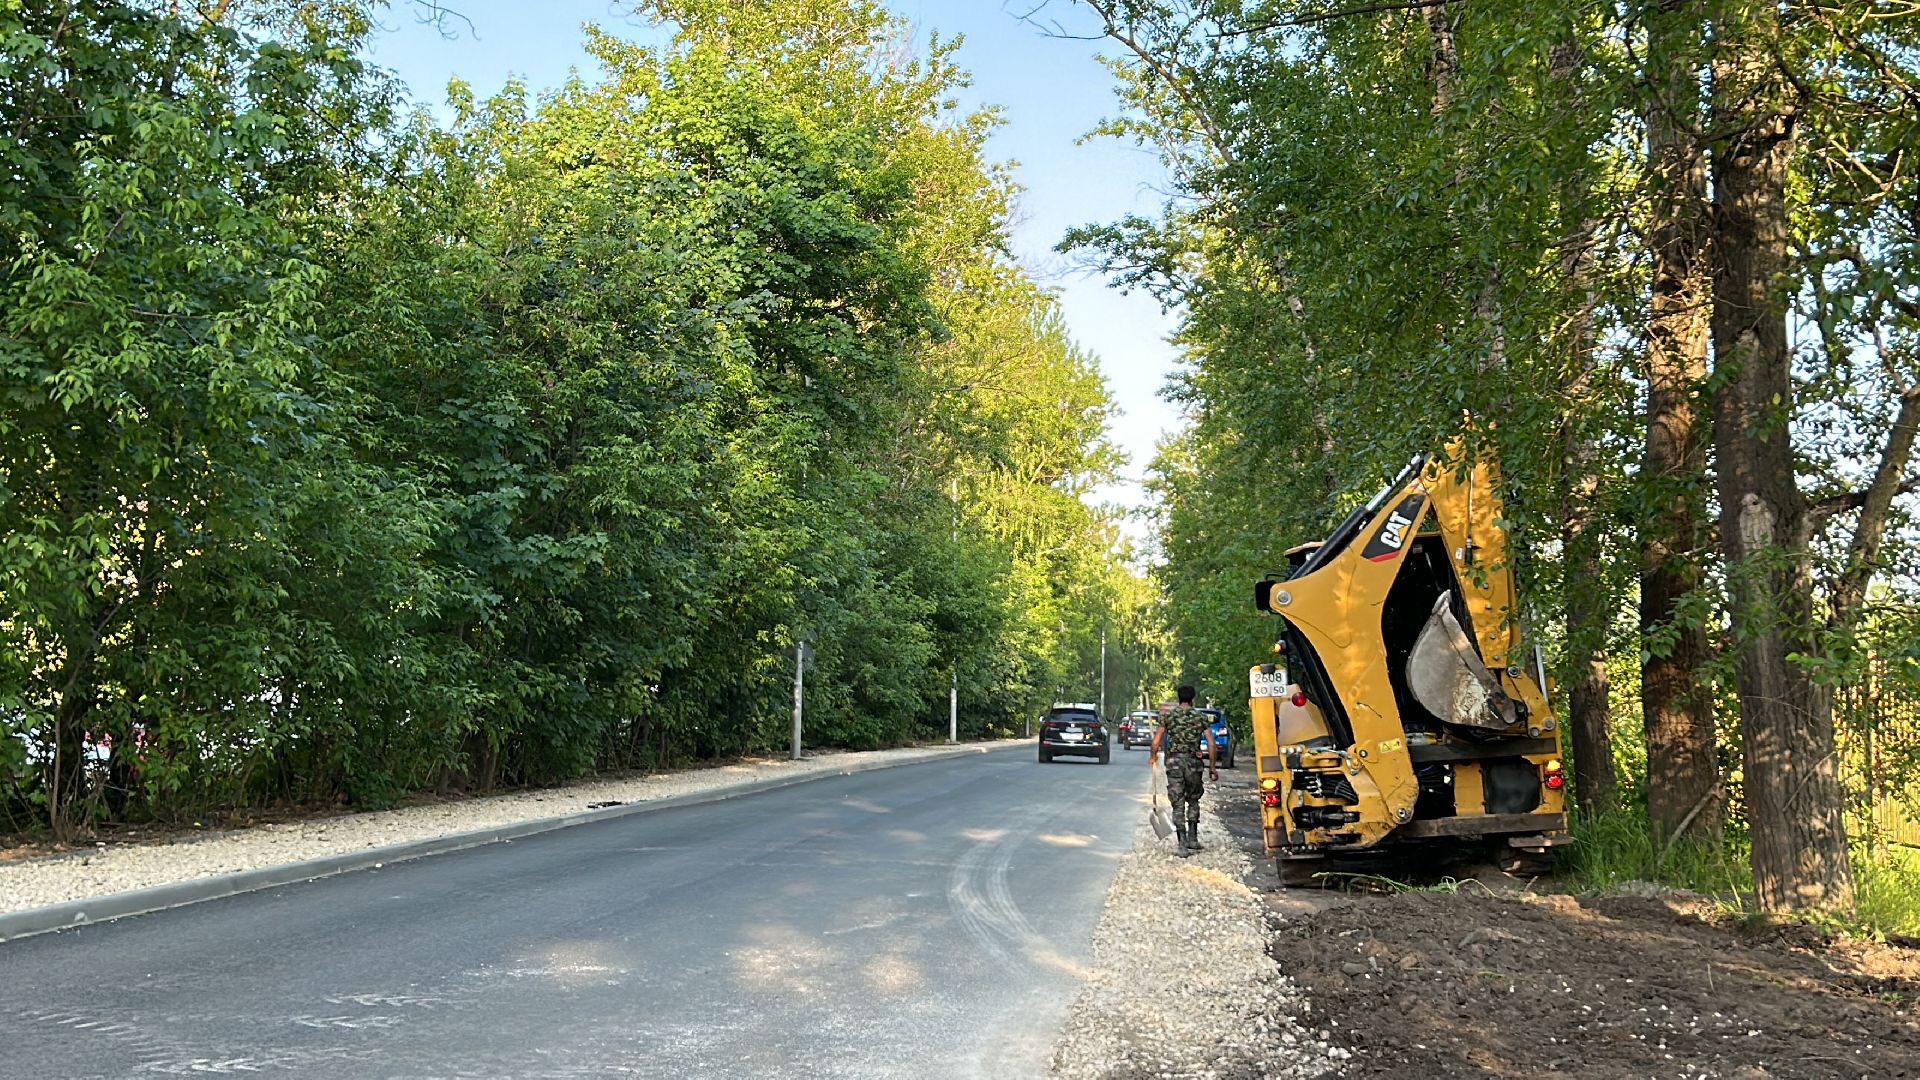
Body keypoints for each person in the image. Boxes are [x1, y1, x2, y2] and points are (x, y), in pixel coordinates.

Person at [1151, 685, 1217, 857]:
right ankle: (1193, 839)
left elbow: (1156, 741)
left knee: (1177, 801)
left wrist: (1153, 756)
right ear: (1193, 698)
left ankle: (1182, 844)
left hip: (1174, 763)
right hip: (1193, 762)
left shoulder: (1169, 717)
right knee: (1193, 799)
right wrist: (1212, 767)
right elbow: (1211, 743)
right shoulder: (1201, 717)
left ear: (1178, 698)